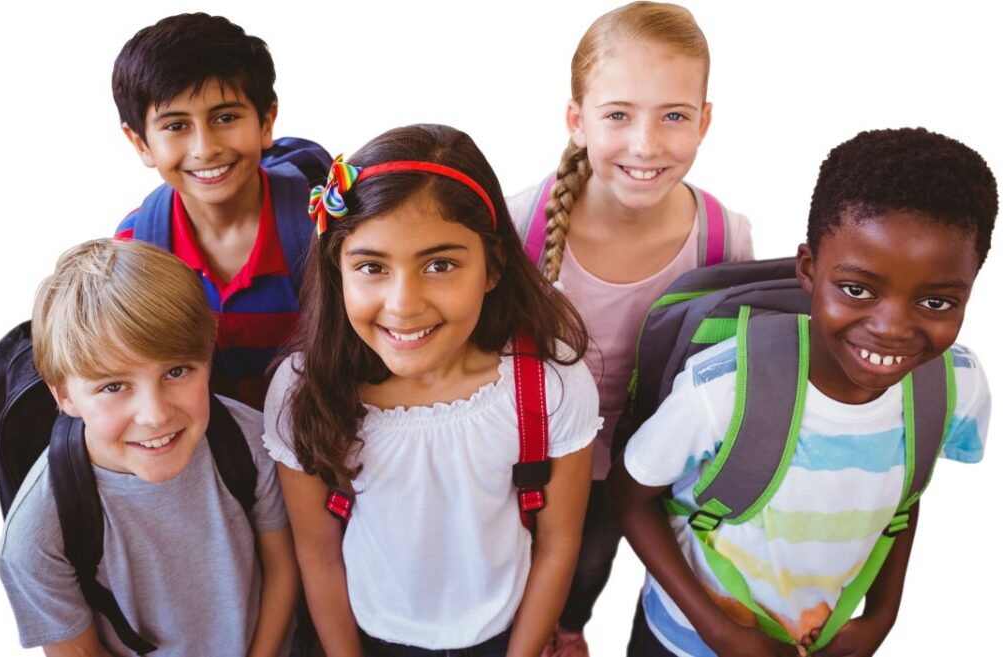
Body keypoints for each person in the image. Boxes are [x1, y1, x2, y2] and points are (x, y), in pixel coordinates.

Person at [609, 127, 997, 657]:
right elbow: (629, 500)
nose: (890, 329)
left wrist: (880, 619)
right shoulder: (725, 388)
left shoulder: (955, 387)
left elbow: (901, 497)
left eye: (935, 303)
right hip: (683, 641)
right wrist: (720, 632)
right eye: (858, 289)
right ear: (809, 270)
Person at [263, 123, 602, 656]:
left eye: (440, 264)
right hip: (369, 636)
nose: (403, 303)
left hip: (505, 635)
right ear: (338, 270)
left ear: (492, 267)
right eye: (372, 267)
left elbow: (558, 545)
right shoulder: (305, 390)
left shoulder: (550, 384)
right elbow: (318, 554)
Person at [506, 4, 753, 653]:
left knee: (588, 563)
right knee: (514, 575)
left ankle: (569, 628)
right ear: (576, 120)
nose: (646, 143)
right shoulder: (516, 223)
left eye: (673, 115)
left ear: (704, 121)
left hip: (637, 469)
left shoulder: (725, 238)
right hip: (521, 465)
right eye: (618, 114)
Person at [0, 239, 298, 656]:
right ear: (64, 395)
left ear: (207, 358)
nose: (154, 415)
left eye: (176, 371)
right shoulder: (36, 534)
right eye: (114, 386)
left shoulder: (250, 441)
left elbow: (283, 570)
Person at [113, 13, 332, 409]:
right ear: (140, 143)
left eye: (226, 118)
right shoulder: (136, 249)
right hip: (221, 458)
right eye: (176, 126)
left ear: (266, 122)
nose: (205, 147)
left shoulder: (323, 220)